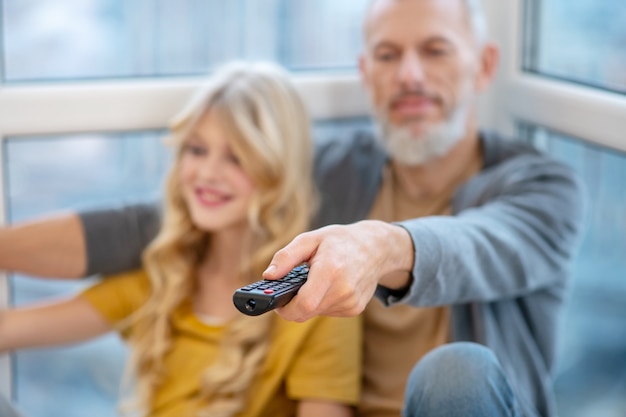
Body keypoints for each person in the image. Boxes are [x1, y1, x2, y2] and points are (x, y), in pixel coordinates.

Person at [0, 0, 585, 416]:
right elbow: (160, 225)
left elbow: (480, 244)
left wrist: (378, 245)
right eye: (387, 55)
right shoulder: (333, 174)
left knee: (455, 369)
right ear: (366, 72)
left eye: (435, 51)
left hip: (457, 404)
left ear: (483, 65)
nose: (409, 74)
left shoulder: (541, 188)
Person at [0, 62, 362, 417]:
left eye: (235, 158)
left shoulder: (318, 301)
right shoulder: (160, 281)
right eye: (197, 150)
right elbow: (11, 329)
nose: (206, 173)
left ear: (277, 171)